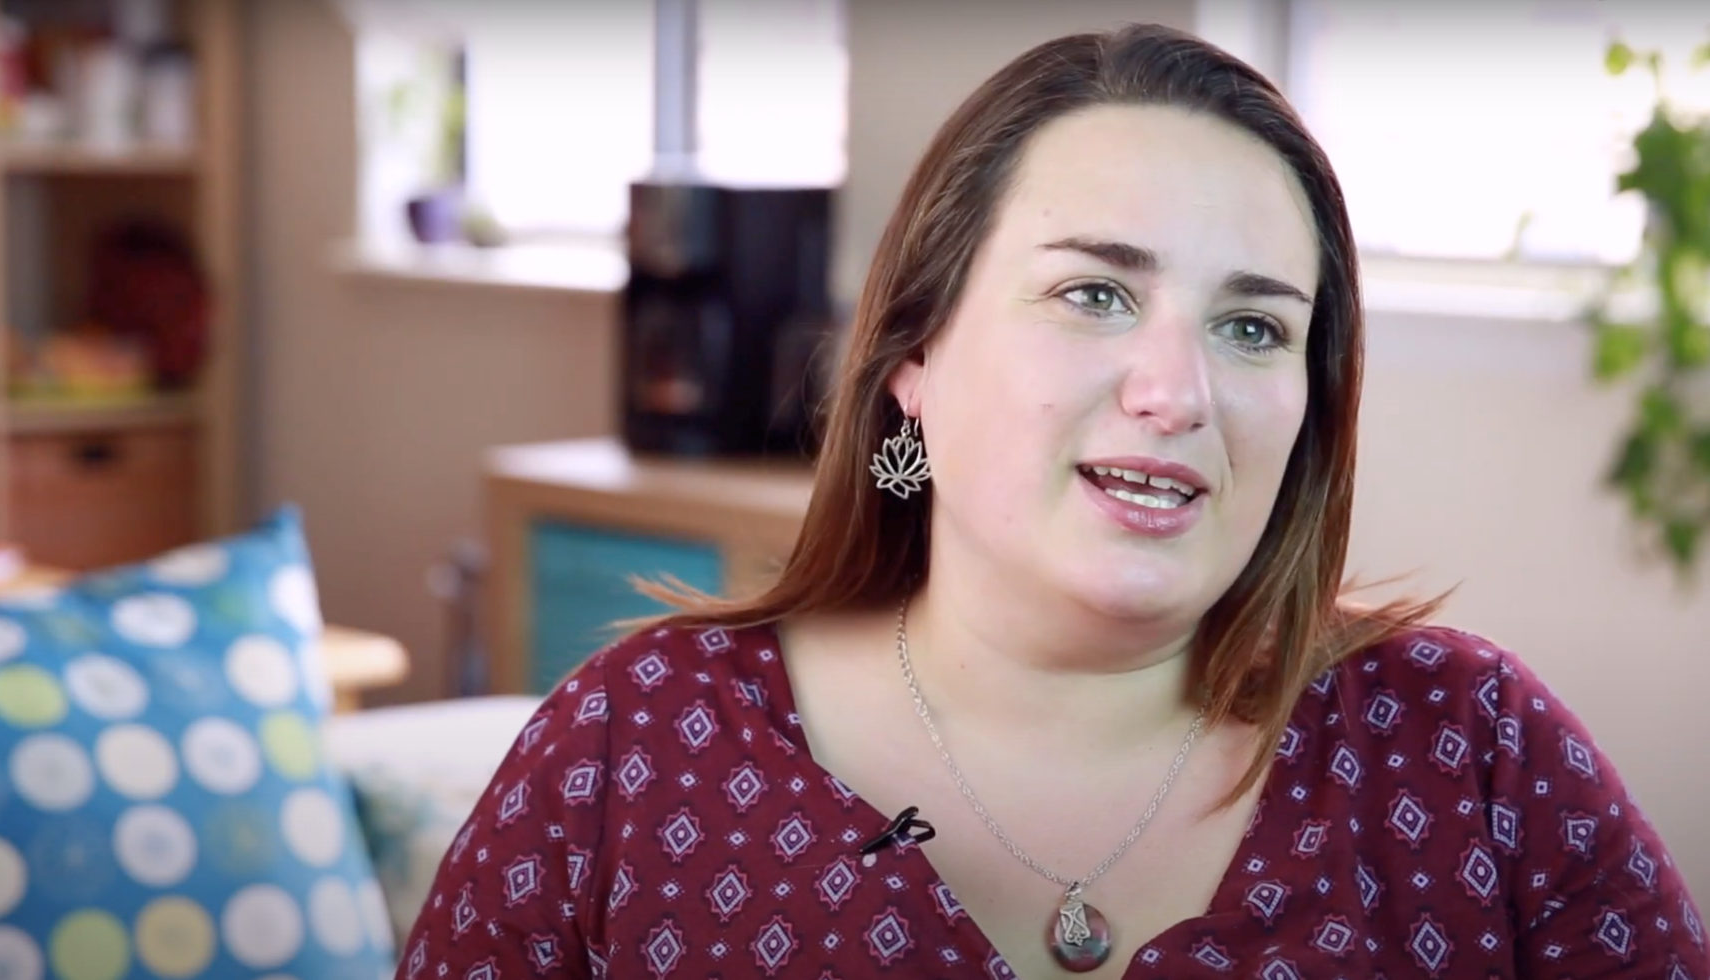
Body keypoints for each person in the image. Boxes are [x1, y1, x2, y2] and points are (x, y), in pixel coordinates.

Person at [397, 24, 1705, 980]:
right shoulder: (634, 750)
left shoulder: (1472, 750)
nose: (1174, 389)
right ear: (914, 358)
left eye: (1253, 326)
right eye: (1094, 295)